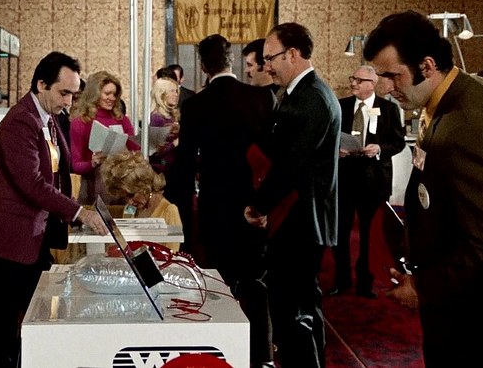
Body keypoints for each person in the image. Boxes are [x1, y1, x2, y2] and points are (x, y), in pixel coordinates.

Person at [362, 10, 483, 367]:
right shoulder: (460, 96)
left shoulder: (465, 119)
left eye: (391, 75)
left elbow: (480, 240)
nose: (384, 88)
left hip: (474, 313)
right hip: (463, 301)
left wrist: (423, 288)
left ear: (427, 66)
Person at [0, 51, 109, 368]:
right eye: (64, 93)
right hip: (16, 240)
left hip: (37, 236)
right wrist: (79, 212)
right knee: (5, 327)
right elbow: (33, 184)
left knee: (37, 320)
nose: (68, 101)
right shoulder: (19, 122)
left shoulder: (48, 118)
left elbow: (58, 173)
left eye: (73, 94)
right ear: (41, 84)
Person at [172, 34, 275, 368]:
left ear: (203, 66)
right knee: (255, 281)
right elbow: (273, 156)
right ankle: (262, 354)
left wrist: (176, 207)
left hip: (215, 206)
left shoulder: (195, 105)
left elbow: (185, 164)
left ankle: (222, 351)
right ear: (231, 61)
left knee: (219, 281)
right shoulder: (260, 97)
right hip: (254, 204)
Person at [244, 22, 341, 368]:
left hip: (301, 219)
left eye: (270, 58)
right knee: (302, 309)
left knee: (293, 314)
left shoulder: (311, 97)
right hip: (300, 217)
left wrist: (259, 205)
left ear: (293, 54)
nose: (266, 66)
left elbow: (290, 164)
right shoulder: (304, 94)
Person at [328, 65, 405, 299]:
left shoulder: (389, 108)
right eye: (353, 78)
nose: (353, 83)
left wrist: (379, 148)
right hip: (345, 179)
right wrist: (336, 150)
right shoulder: (340, 105)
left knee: (369, 236)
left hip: (374, 181)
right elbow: (330, 136)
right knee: (340, 233)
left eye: (359, 80)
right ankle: (341, 280)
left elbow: (398, 142)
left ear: (372, 83)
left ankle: (365, 283)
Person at [69, 70, 138, 205]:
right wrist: (93, 162)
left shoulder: (123, 120)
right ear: (95, 94)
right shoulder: (80, 123)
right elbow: (76, 166)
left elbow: (136, 152)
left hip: (123, 184)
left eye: (114, 94)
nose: (111, 98)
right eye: (107, 93)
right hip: (93, 186)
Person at [101, 150, 182, 252]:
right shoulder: (129, 209)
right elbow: (125, 246)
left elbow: (173, 253)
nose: (129, 202)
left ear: (144, 185)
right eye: (124, 198)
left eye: (131, 195)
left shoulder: (170, 211)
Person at [149, 77, 180, 176]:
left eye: (176, 91)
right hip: (162, 171)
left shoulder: (173, 116)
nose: (176, 94)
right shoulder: (156, 118)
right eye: (172, 91)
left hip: (174, 168)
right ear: (161, 93)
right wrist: (175, 143)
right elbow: (154, 152)